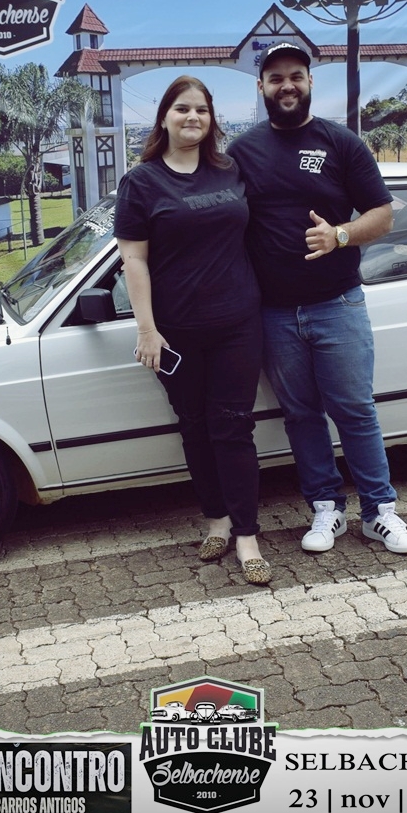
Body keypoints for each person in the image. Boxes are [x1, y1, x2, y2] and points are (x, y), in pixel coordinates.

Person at [227, 42, 407, 555]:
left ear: (310, 81)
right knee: (301, 415)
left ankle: (379, 512)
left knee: (355, 410)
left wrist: (339, 235)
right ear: (261, 87)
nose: (286, 85)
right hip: (273, 313)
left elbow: (383, 215)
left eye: (296, 75)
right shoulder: (242, 152)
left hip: (338, 304)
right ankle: (326, 507)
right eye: (275, 78)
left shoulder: (342, 144)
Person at [113, 75, 271, 585]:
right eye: (182, 108)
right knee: (195, 427)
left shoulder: (230, 170)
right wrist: (147, 330)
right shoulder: (141, 182)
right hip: (177, 332)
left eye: (201, 109)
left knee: (233, 426)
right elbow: (134, 260)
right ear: (164, 116)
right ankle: (216, 521)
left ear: (211, 119)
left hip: (237, 324)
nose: (192, 117)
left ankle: (246, 535)